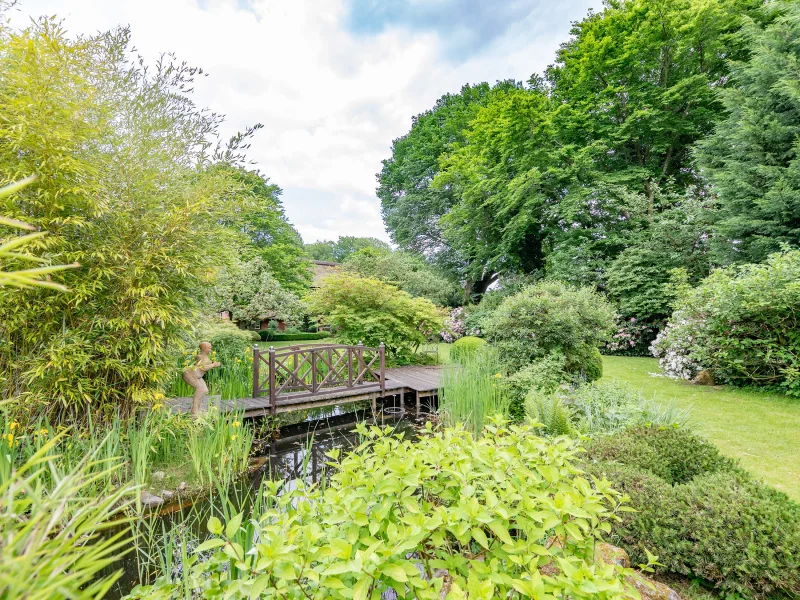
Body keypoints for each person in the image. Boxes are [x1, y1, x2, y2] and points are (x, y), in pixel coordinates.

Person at [182, 342, 221, 416]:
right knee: (201, 389)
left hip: (197, 376)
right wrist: (213, 364)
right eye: (209, 348)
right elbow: (203, 367)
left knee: (204, 390)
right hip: (190, 374)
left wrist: (213, 364)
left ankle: (198, 408)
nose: (210, 349)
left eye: (210, 347)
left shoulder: (206, 358)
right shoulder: (200, 356)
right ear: (203, 348)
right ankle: (194, 411)